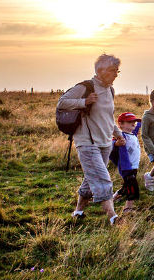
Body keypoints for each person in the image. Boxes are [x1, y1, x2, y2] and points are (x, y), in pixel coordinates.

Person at [57, 54, 125, 225]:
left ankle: (78, 211)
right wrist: (84, 101)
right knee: (102, 179)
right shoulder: (86, 87)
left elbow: (108, 117)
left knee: (90, 178)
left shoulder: (110, 90)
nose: (116, 74)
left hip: (105, 142)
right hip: (87, 142)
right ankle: (113, 217)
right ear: (100, 71)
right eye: (112, 70)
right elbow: (62, 102)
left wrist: (118, 134)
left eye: (117, 71)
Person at [110, 112, 142, 213]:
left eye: (134, 121)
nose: (133, 123)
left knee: (126, 186)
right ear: (121, 124)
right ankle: (128, 208)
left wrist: (142, 122)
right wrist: (116, 144)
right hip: (126, 166)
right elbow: (111, 144)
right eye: (129, 122)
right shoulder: (121, 135)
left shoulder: (133, 134)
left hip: (134, 166)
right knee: (132, 186)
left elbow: (138, 126)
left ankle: (113, 198)